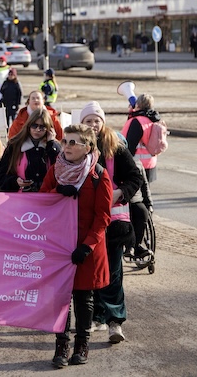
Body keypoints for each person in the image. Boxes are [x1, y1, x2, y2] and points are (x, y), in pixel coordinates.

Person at [40, 124, 111, 368]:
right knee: (60, 297)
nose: (67, 146)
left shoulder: (98, 175)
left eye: (73, 142)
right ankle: (61, 344)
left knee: (83, 297)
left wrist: (87, 246)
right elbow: (41, 199)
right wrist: (57, 190)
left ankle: (82, 344)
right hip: (59, 244)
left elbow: (103, 217)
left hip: (86, 247)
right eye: (65, 141)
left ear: (87, 147)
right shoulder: (55, 170)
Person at [79, 102, 143, 344]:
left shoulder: (115, 147)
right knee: (91, 270)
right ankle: (97, 316)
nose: (93, 125)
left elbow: (135, 177)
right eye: (88, 121)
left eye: (97, 120)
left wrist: (120, 193)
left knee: (113, 271)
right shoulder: (76, 147)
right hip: (86, 222)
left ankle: (115, 320)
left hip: (114, 222)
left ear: (103, 123)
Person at [120, 93, 161, 260]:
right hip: (150, 163)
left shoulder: (137, 121)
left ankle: (133, 242)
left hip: (135, 164)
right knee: (143, 196)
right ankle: (136, 241)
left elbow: (129, 144)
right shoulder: (153, 119)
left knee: (136, 202)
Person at [0, 107, 61, 193]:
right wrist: (15, 182)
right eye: (34, 126)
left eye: (42, 127)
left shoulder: (54, 147)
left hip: (46, 196)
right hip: (20, 197)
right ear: (29, 125)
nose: (38, 130)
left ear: (49, 129)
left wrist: (51, 144)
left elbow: (61, 171)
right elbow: (1, 176)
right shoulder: (14, 145)